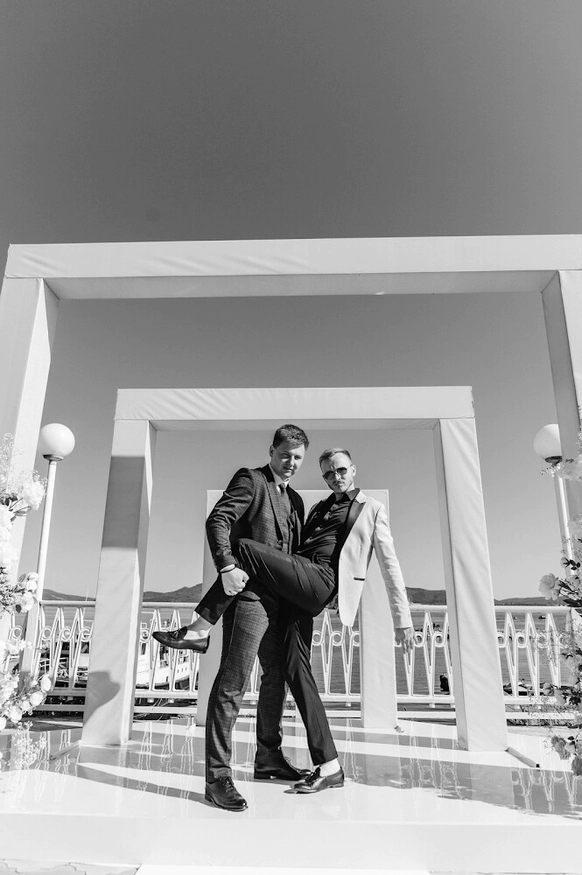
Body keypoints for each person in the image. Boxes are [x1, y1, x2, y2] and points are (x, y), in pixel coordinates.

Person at [158, 446, 415, 797]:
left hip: (319, 581)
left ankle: (200, 627)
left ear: (353, 469)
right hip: (294, 590)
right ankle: (328, 766)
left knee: (244, 547)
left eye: (341, 470)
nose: (335, 477)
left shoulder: (370, 509)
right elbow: (291, 553)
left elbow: (390, 565)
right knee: (294, 671)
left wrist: (403, 620)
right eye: (327, 473)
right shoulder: (316, 507)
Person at [153, 424, 310, 812]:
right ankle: (217, 777)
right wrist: (225, 565)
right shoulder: (251, 480)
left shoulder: (297, 501)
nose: (291, 463)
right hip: (249, 600)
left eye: (297, 458)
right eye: (285, 454)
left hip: (280, 605)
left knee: (278, 677)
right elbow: (218, 520)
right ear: (272, 451)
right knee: (232, 683)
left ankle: (268, 757)